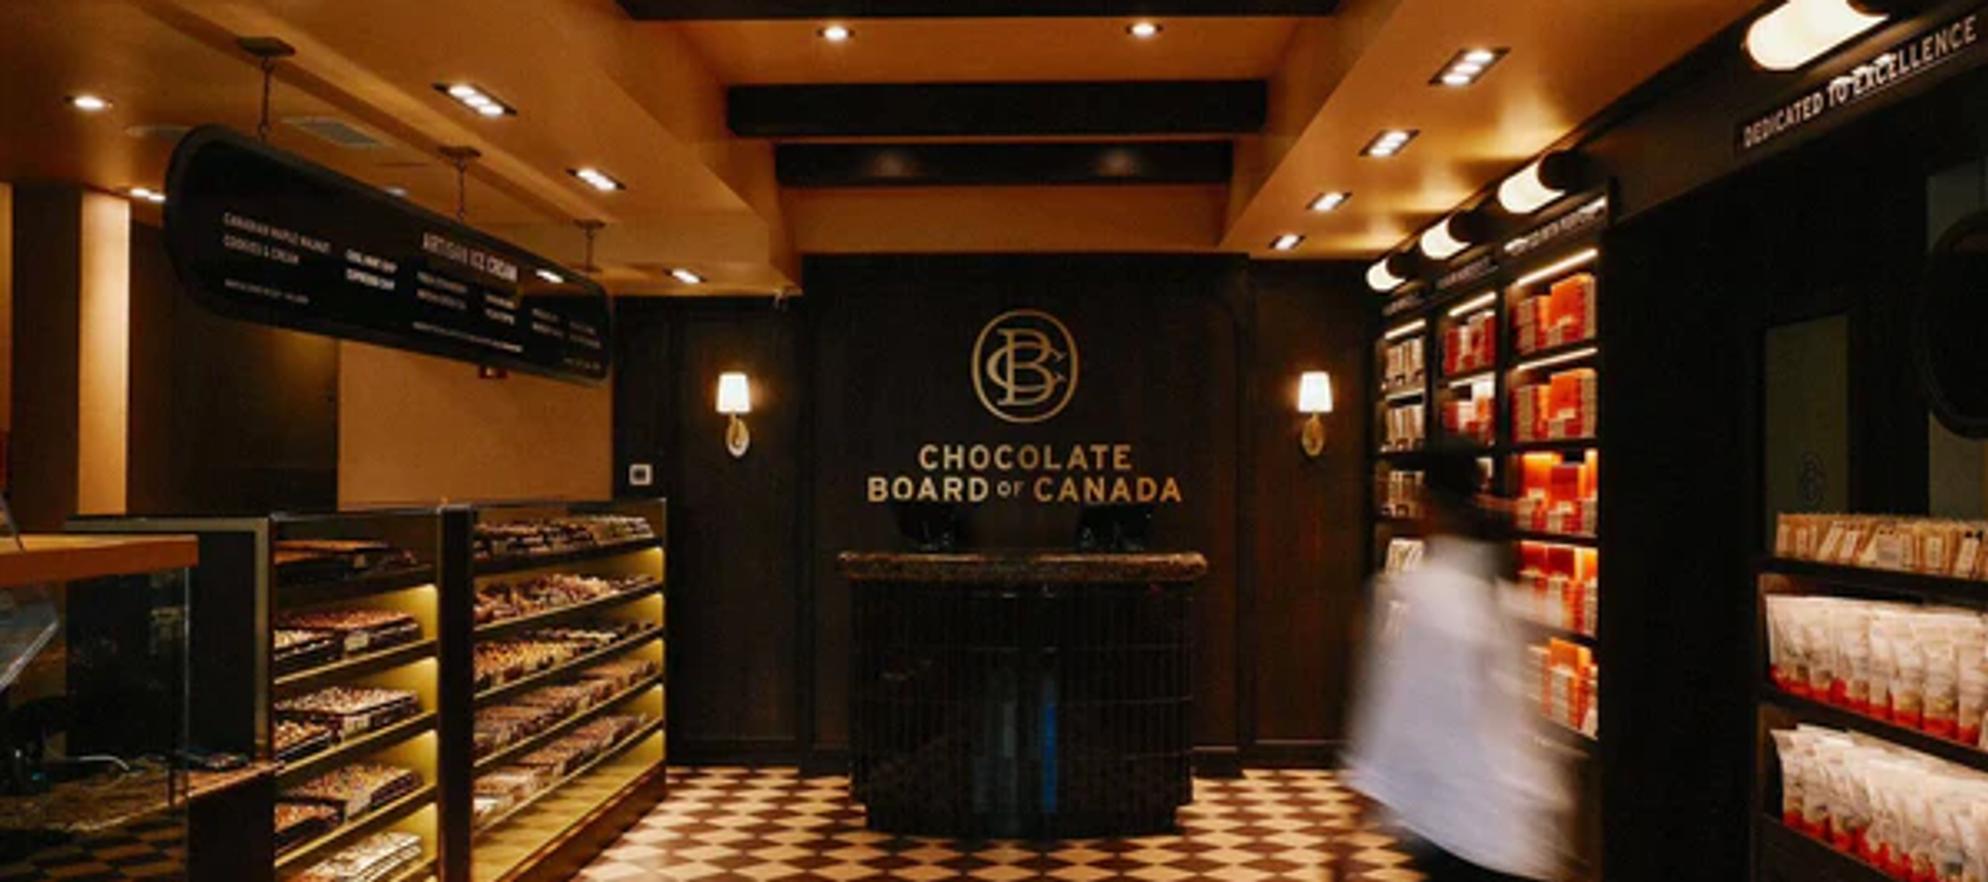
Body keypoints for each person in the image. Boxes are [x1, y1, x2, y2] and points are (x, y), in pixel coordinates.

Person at [1344, 443, 1570, 882]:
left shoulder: (1418, 597)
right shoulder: (1504, 592)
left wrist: (1350, 829)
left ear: (1427, 507)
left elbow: (1391, 717)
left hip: (1460, 829)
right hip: (1518, 829)